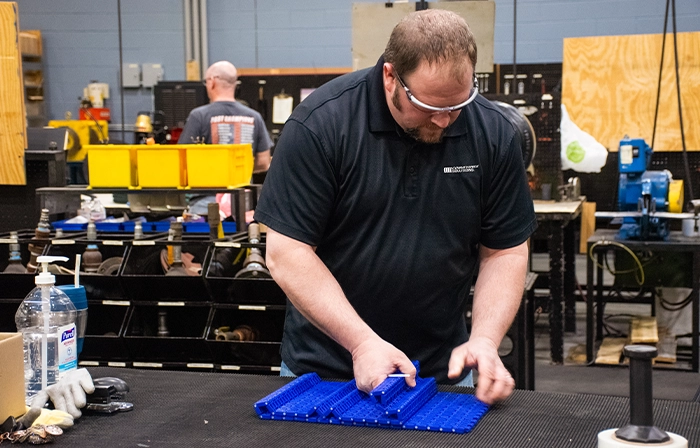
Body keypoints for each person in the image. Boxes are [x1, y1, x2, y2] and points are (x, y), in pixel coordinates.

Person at [254, 10, 536, 405]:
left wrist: (486, 340)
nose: (444, 120)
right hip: (326, 369)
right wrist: (361, 343)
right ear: (390, 76)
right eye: (427, 104)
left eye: (458, 104)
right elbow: (287, 254)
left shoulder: (491, 134)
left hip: (443, 372)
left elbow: (504, 250)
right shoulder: (321, 125)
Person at [179, 61, 273, 216]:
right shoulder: (254, 117)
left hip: (206, 204)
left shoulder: (199, 116)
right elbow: (263, 163)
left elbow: (183, 162)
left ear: (213, 82)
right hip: (242, 206)